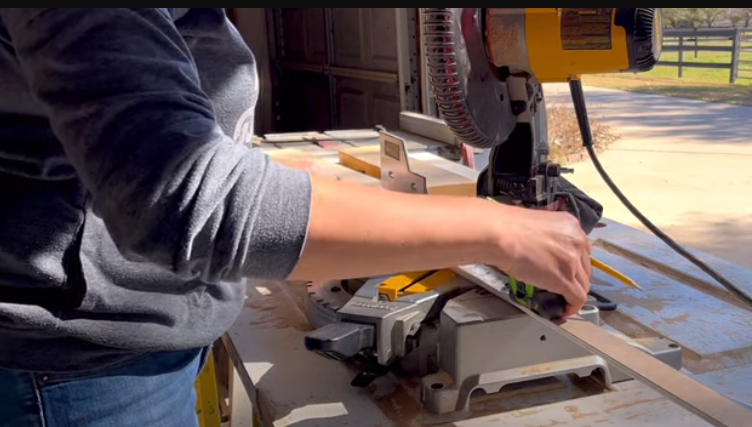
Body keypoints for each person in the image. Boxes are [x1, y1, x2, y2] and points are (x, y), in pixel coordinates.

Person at [0, 8, 593, 427]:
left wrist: (325, 218)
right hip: (72, 378)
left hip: (124, 343)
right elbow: (180, 198)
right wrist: (496, 229)